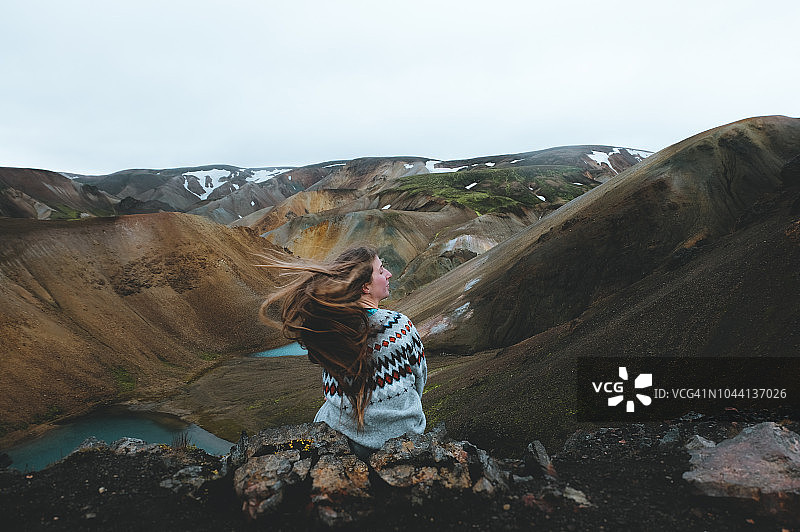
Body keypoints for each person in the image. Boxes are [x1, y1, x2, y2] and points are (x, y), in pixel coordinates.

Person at [259, 246, 427, 459]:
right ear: (365, 286)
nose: (388, 274)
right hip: (406, 433)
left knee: (326, 412)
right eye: (381, 270)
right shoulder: (400, 325)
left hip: (348, 440)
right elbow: (419, 377)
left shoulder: (334, 329)